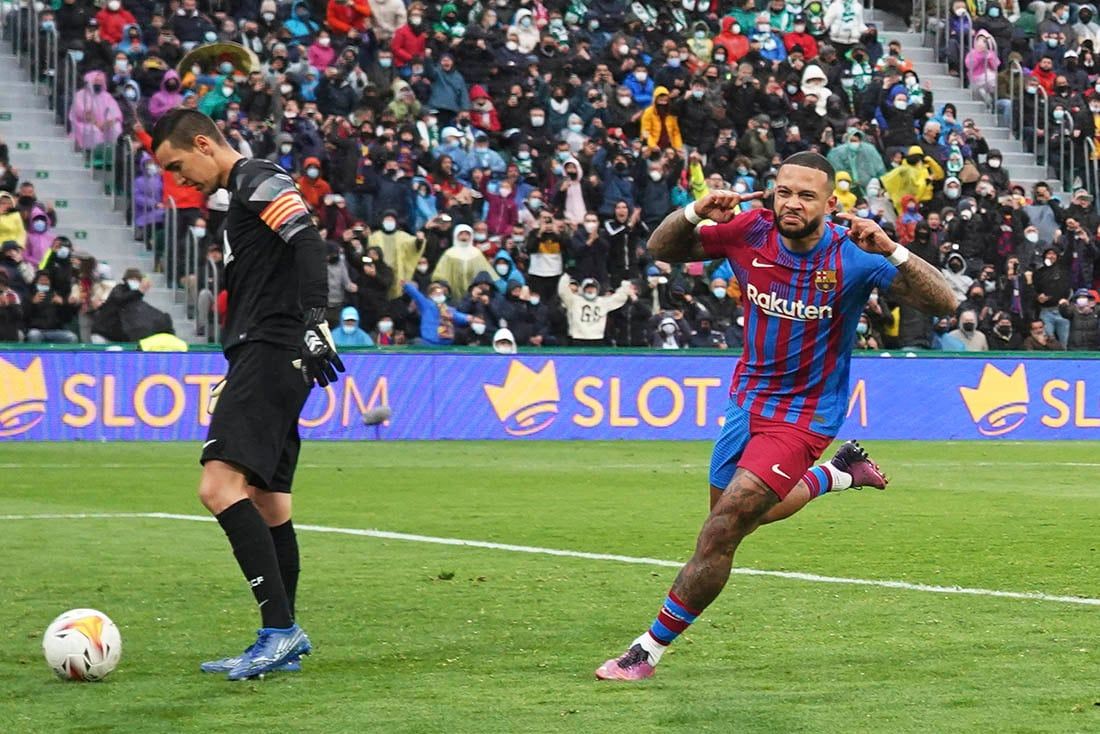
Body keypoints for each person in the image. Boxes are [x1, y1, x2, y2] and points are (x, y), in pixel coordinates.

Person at [596, 152, 956, 681]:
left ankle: (646, 650)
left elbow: (944, 302)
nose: (793, 202)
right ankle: (836, 474)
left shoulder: (852, 254)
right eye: (785, 191)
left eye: (807, 195)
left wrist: (893, 249)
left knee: (722, 530)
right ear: (772, 193)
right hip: (747, 401)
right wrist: (696, 211)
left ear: (830, 204)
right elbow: (661, 247)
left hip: (806, 415)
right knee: (741, 515)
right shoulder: (749, 231)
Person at [151, 108, 344, 680]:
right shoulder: (242, 193)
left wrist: (314, 322)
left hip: (274, 346)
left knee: (217, 487)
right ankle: (283, 635)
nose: (178, 179)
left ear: (204, 144)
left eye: (177, 165)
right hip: (263, 351)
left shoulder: (257, 177)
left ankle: (280, 632)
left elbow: (309, 244)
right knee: (268, 501)